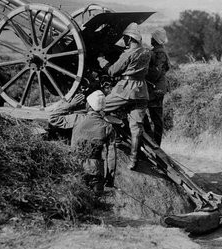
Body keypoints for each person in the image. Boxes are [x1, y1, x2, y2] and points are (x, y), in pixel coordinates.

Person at [98, 23, 151, 170]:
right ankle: (134, 160)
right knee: (137, 128)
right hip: (142, 92)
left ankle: (116, 135)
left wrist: (101, 59)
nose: (125, 41)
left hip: (126, 90)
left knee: (98, 108)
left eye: (125, 39)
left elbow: (113, 71)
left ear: (129, 39)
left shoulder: (127, 54)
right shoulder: (147, 52)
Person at [71, 91, 117, 194]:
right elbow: (111, 156)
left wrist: (70, 105)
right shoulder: (108, 127)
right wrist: (110, 178)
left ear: (88, 105)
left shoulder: (77, 119)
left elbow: (53, 118)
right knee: (98, 205)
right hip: (96, 171)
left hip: (76, 168)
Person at [145, 27, 170, 146]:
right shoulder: (159, 51)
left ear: (155, 39)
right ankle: (153, 143)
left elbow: (156, 72)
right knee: (155, 118)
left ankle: (155, 145)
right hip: (158, 88)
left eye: (152, 38)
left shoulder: (159, 53)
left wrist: (143, 74)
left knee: (156, 119)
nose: (150, 39)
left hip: (156, 89)